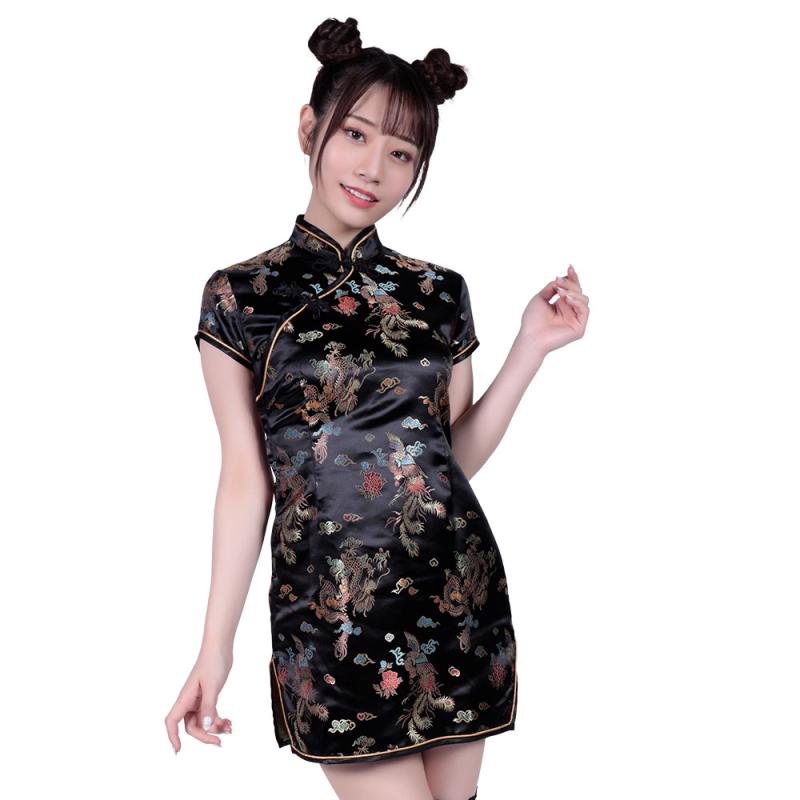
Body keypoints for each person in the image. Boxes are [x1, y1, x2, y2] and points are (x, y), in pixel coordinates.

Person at [165, 16, 590, 800]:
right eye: (356, 135)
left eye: (401, 153)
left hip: (455, 596)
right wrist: (213, 648)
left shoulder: (438, 291)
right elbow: (245, 481)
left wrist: (529, 348)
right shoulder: (240, 296)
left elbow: (448, 459)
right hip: (334, 619)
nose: (373, 168)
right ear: (310, 128)